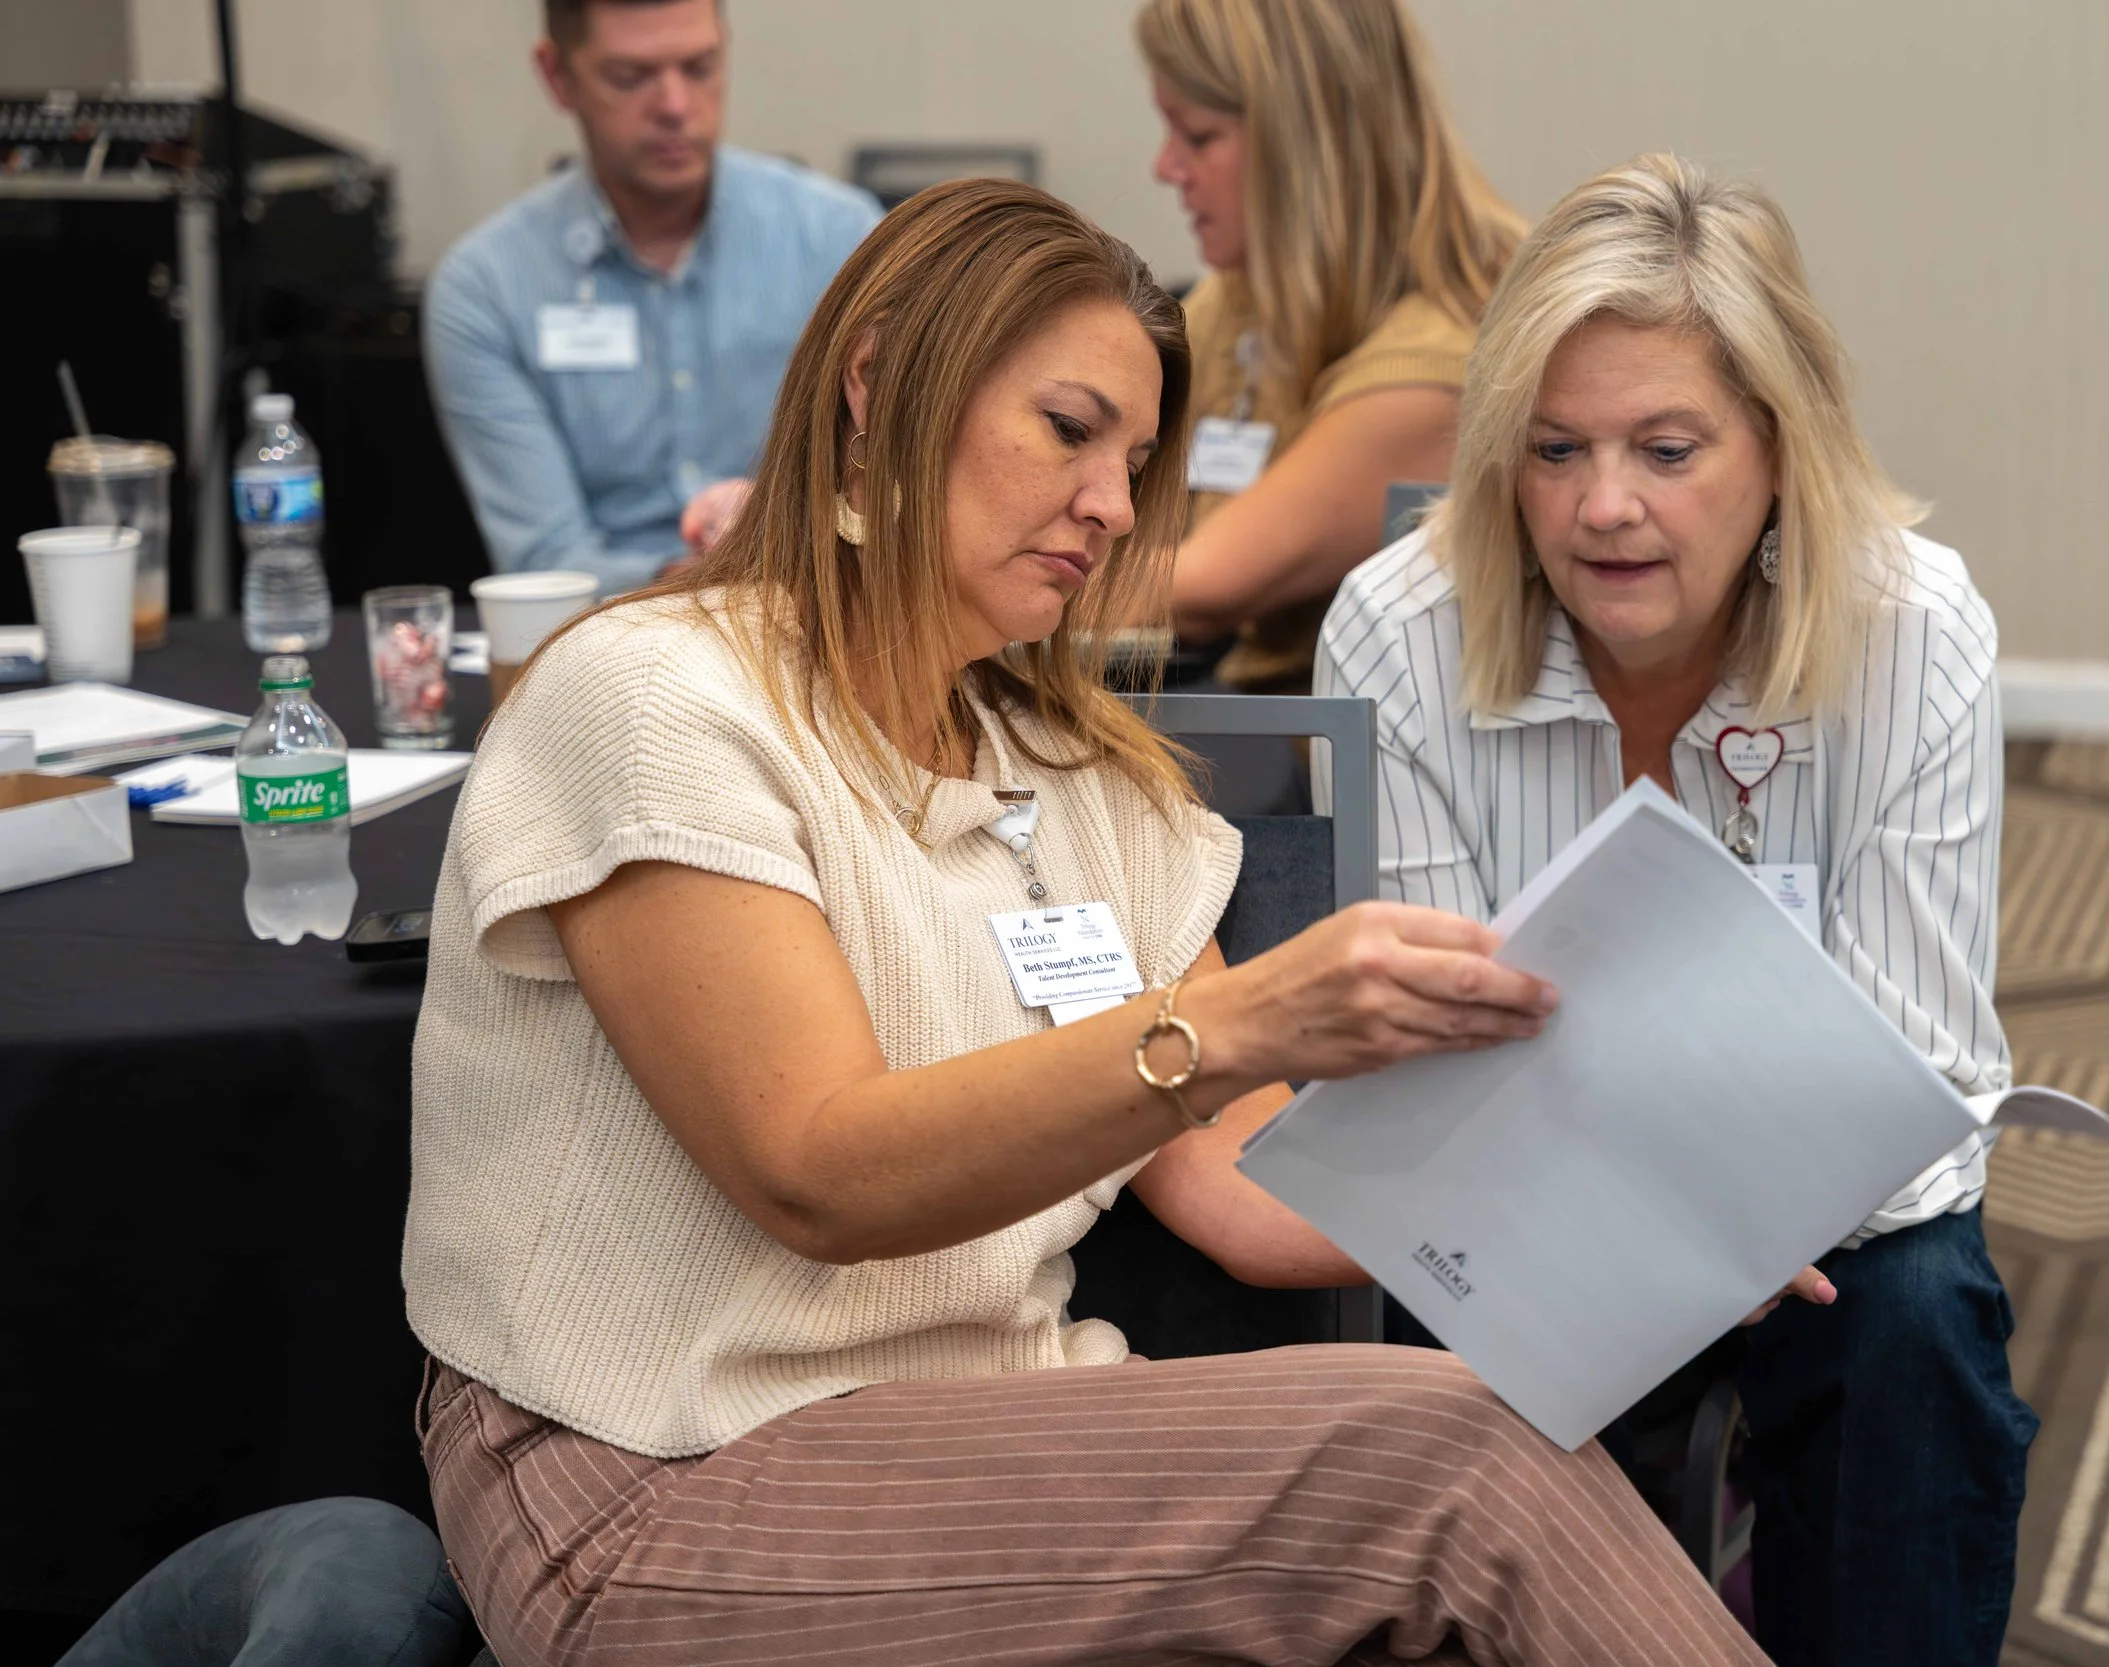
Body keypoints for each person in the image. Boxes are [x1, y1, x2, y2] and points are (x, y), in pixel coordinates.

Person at [405, 177, 1793, 1667]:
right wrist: (1238, 1020)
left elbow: (1256, 1195)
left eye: (1135, 462)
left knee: (1483, 1464)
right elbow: (818, 1169)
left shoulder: (1077, 779)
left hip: (1002, 1429)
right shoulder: (661, 700)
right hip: (662, 1479)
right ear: (877, 385)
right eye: (1068, 431)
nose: (1117, 507)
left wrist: (1645, 1222)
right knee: (1458, 1459)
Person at [1315, 155, 2039, 1667]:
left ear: (1780, 447)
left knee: (1915, 1322)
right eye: (1556, 449)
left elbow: (1919, 1080)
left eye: (1666, 446)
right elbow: (1428, 1054)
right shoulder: (1401, 630)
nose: (1604, 507)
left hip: (1833, 1217)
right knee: (1462, 1379)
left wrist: (1736, 1203)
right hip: (1512, 1199)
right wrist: (1673, 1199)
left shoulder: (1915, 629)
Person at [422, 0, 879, 595]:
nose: (675, 106)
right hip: (607, 641)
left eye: (699, 66)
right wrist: (731, 572)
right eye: (630, 77)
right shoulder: (487, 287)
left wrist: (787, 530)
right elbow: (546, 563)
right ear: (557, 77)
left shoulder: (839, 240)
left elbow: (899, 490)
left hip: (825, 616)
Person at [1137, 0, 1523, 692]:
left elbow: (1198, 589)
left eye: (1197, 135)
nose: (1165, 167)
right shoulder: (1242, 293)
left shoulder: (1447, 356)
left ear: (1303, 147)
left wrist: (948, 577)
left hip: (1334, 776)